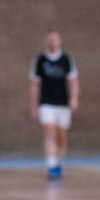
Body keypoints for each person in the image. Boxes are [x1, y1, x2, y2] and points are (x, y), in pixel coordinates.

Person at [29, 31, 78, 180]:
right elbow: (34, 85)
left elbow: (73, 81)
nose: (52, 41)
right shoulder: (39, 60)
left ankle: (59, 162)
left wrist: (74, 99)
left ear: (59, 41)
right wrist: (33, 106)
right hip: (46, 102)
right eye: (50, 39)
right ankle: (51, 166)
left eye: (55, 39)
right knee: (49, 131)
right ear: (46, 41)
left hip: (62, 103)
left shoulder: (67, 60)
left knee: (61, 136)